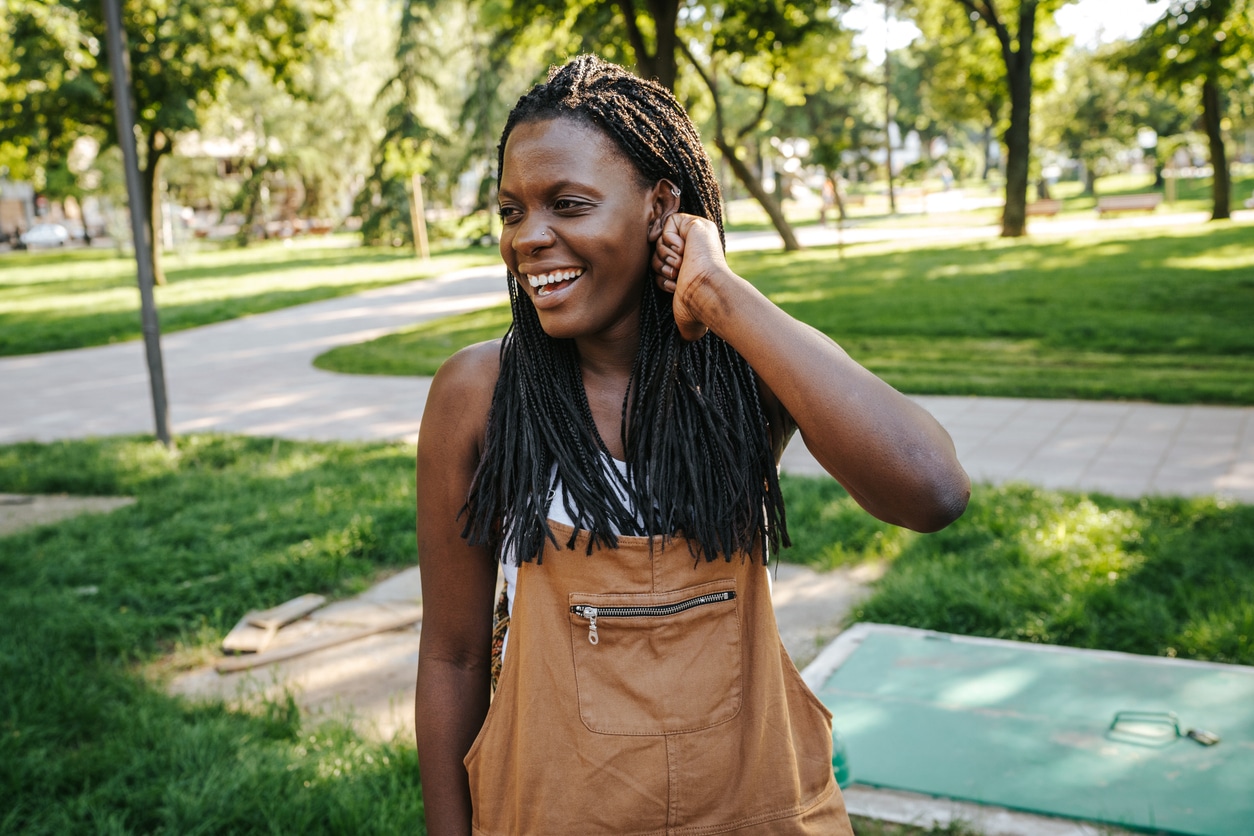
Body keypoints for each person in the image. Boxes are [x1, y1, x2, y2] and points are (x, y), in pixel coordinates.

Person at [415, 55, 970, 835]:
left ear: (662, 207)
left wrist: (722, 295)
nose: (529, 238)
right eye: (512, 211)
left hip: (758, 809)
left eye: (567, 204)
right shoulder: (477, 395)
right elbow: (453, 656)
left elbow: (932, 489)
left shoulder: (744, 369)